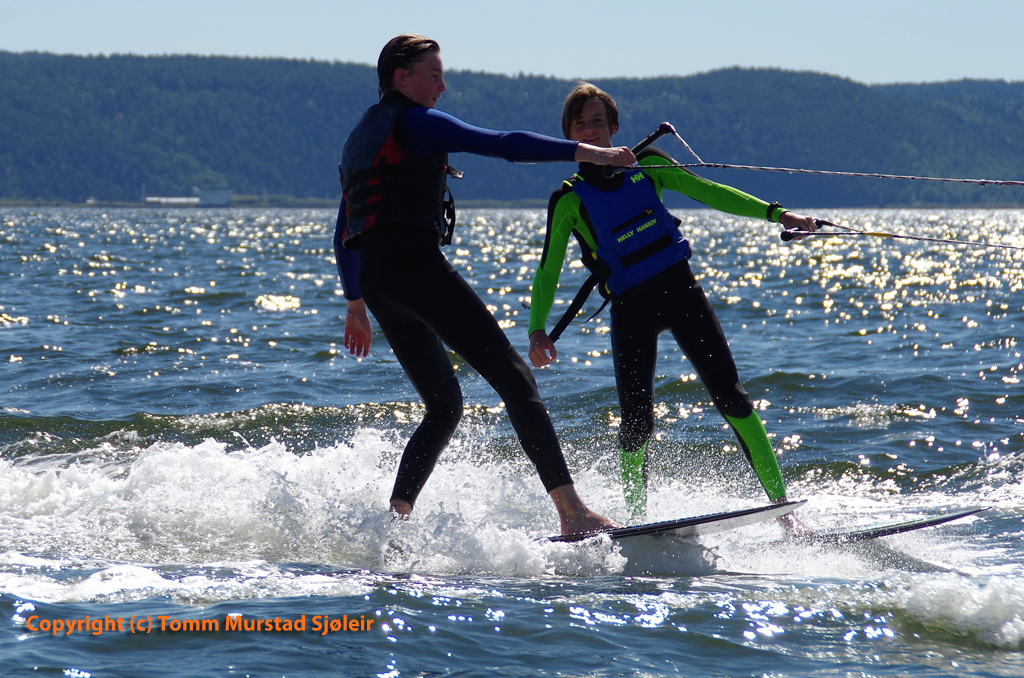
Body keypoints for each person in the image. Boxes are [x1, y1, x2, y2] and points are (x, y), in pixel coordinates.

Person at [334, 36, 635, 535]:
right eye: (433, 74)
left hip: (378, 280)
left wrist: (355, 303)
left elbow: (344, 226)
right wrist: (589, 151)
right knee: (516, 380)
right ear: (401, 77)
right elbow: (503, 144)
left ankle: (396, 524)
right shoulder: (415, 122)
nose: (442, 85)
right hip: (415, 266)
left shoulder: (358, 138)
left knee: (444, 406)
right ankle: (574, 514)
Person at [527, 83, 818, 531]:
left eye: (598, 121)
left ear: (613, 126)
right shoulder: (568, 199)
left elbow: (711, 192)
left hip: (682, 294)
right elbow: (548, 271)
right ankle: (638, 525)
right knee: (636, 422)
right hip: (630, 309)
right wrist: (536, 329)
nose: (590, 129)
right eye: (580, 124)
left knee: (732, 397)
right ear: (569, 135)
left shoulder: (648, 165)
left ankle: (784, 512)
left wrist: (778, 214)